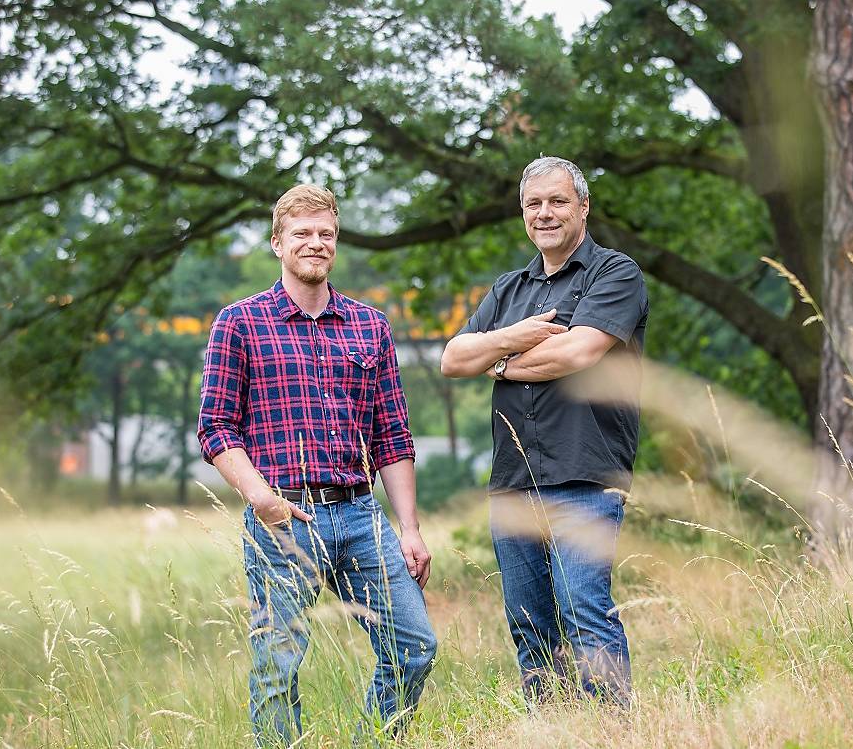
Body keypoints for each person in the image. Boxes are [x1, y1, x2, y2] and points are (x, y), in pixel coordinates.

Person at [197, 184, 437, 745]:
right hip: (283, 516)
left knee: (415, 645)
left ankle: (373, 741)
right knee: (277, 665)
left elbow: (392, 436)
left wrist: (410, 527)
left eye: (326, 233)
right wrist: (261, 498)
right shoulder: (240, 323)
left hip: (359, 513)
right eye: (302, 233)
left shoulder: (369, 326)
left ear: (336, 242)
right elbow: (215, 427)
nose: (316, 243)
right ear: (277, 243)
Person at [440, 156, 648, 706]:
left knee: (586, 614)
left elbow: (579, 350)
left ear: (583, 207)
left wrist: (500, 356)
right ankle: (554, 730)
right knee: (529, 629)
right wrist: (518, 336)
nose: (545, 213)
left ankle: (608, 737)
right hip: (513, 480)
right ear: (522, 213)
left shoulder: (616, 273)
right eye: (534, 204)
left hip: (584, 472)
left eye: (557, 201)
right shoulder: (510, 289)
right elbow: (455, 357)